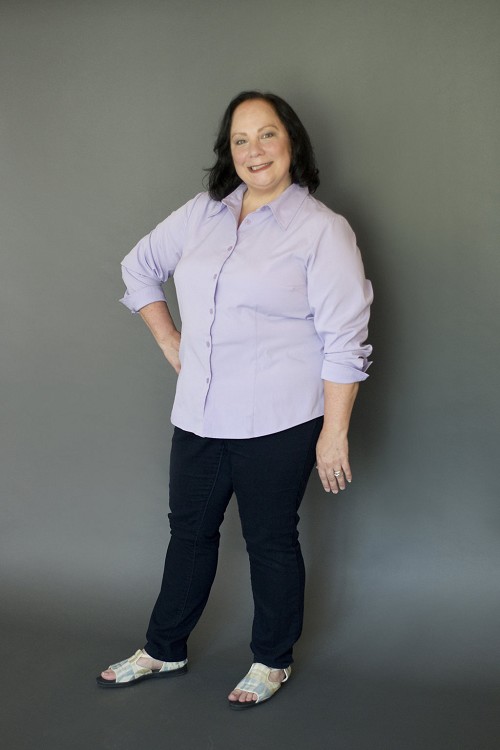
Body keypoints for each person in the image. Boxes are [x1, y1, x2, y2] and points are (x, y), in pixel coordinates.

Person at [97, 91, 373, 709]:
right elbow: (138, 268)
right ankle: (164, 648)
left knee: (269, 539)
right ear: (229, 151)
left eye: (267, 134)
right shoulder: (203, 214)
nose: (254, 150)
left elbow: (345, 340)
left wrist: (334, 433)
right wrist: (170, 339)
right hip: (199, 413)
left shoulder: (321, 230)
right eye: (240, 139)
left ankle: (272, 659)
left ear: (292, 141)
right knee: (189, 533)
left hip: (279, 418)